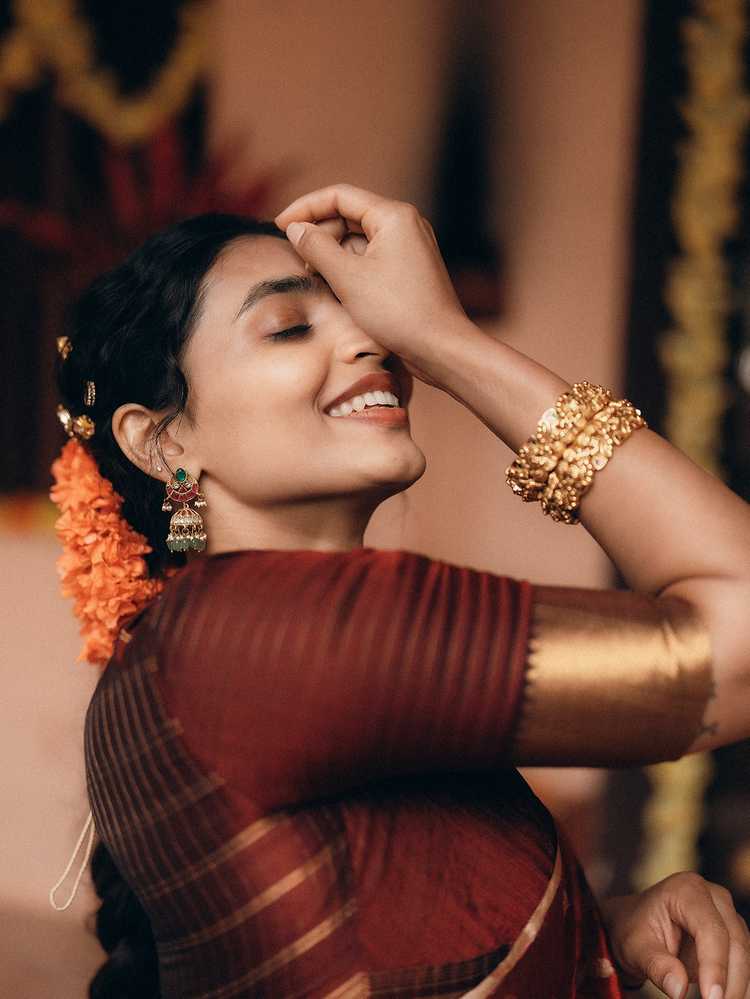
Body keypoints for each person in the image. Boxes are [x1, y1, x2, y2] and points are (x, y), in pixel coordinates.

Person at [47, 185, 750, 999]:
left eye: (368, 315)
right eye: (289, 325)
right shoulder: (249, 636)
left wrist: (599, 932)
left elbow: (376, 935)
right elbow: (737, 645)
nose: (374, 339)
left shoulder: (206, 648)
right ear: (162, 441)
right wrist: (445, 339)